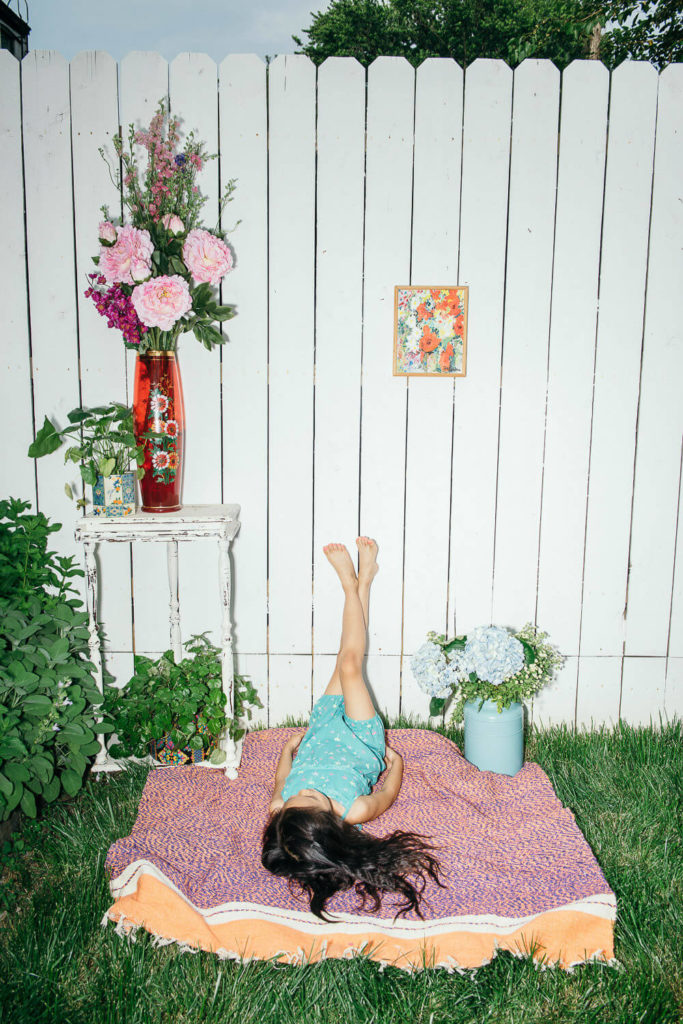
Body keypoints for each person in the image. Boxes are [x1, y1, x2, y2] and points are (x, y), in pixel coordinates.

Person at [261, 537, 443, 921]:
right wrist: (394, 764)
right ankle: (351, 584)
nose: (305, 791)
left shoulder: (281, 808)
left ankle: (364, 583)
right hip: (363, 740)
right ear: (331, 822)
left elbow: (282, 779)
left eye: (298, 798)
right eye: (314, 799)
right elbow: (387, 796)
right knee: (349, 663)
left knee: (346, 650)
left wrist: (288, 750)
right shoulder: (355, 809)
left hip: (323, 728)